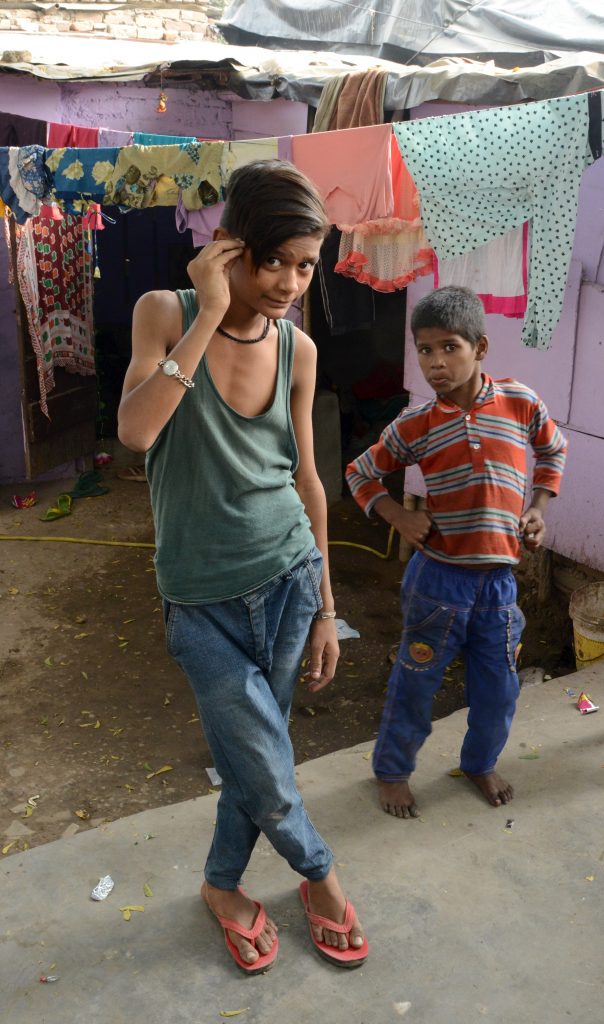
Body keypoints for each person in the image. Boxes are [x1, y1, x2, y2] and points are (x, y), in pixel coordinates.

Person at [117, 161, 367, 972]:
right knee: (260, 753)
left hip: (291, 579)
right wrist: (210, 313)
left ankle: (223, 886)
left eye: (305, 264)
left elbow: (307, 478)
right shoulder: (164, 313)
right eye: (275, 261)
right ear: (232, 248)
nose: (290, 282)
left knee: (249, 754)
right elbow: (136, 433)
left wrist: (328, 603)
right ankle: (319, 876)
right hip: (200, 599)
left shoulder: (298, 349)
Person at [346, 286, 568, 818]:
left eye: (449, 347)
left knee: (499, 690)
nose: (436, 363)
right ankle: (393, 771)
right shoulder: (415, 424)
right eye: (425, 350)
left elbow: (554, 448)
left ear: (480, 348)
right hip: (437, 583)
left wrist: (537, 507)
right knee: (415, 685)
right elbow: (360, 472)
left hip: (498, 584)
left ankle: (479, 761)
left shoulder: (520, 402)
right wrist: (399, 515)